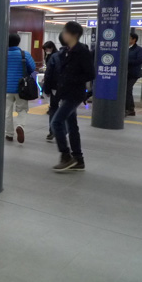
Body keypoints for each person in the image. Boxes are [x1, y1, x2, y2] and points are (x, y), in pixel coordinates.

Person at [50, 21, 95, 172]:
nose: (63, 34)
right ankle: (78, 159)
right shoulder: (67, 50)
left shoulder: (82, 51)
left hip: (74, 94)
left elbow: (90, 74)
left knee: (56, 122)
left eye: (65, 32)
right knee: (72, 126)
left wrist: (71, 79)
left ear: (74, 34)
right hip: (66, 92)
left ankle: (66, 156)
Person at [5, 33, 36, 143]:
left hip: (5, 87)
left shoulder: (2, 54)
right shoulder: (24, 54)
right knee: (22, 109)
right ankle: (20, 126)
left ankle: (9, 134)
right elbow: (32, 68)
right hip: (22, 87)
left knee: (7, 111)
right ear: (18, 42)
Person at [43, 34, 67, 142]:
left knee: (53, 108)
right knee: (66, 109)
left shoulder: (54, 57)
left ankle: (53, 130)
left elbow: (48, 75)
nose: (47, 51)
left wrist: (47, 89)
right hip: (68, 88)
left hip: (55, 88)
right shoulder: (75, 56)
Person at [127, 32, 142, 116]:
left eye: (129, 38)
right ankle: (131, 109)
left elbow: (139, 60)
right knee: (127, 90)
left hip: (134, 73)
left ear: (134, 40)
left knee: (128, 90)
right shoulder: (125, 48)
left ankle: (128, 109)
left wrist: (126, 61)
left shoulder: (138, 49)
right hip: (126, 74)